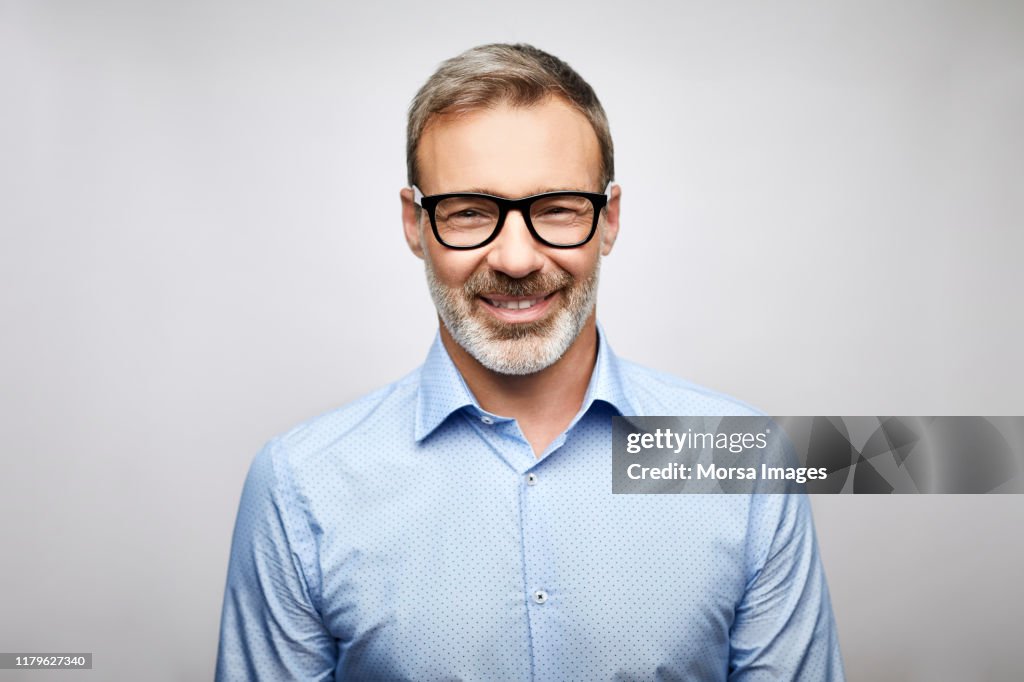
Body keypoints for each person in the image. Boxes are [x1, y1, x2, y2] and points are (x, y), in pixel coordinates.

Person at [215, 43, 845, 680]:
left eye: (556, 210)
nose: (516, 260)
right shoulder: (300, 486)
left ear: (608, 220)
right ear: (415, 224)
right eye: (468, 212)